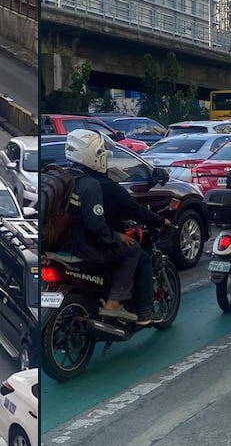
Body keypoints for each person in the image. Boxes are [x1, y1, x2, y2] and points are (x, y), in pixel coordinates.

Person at [61, 129, 167, 324]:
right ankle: (126, 307)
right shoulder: (96, 185)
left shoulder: (65, 177)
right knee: (135, 250)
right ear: (95, 156)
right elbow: (99, 224)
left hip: (64, 244)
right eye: (102, 155)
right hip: (87, 246)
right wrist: (117, 237)